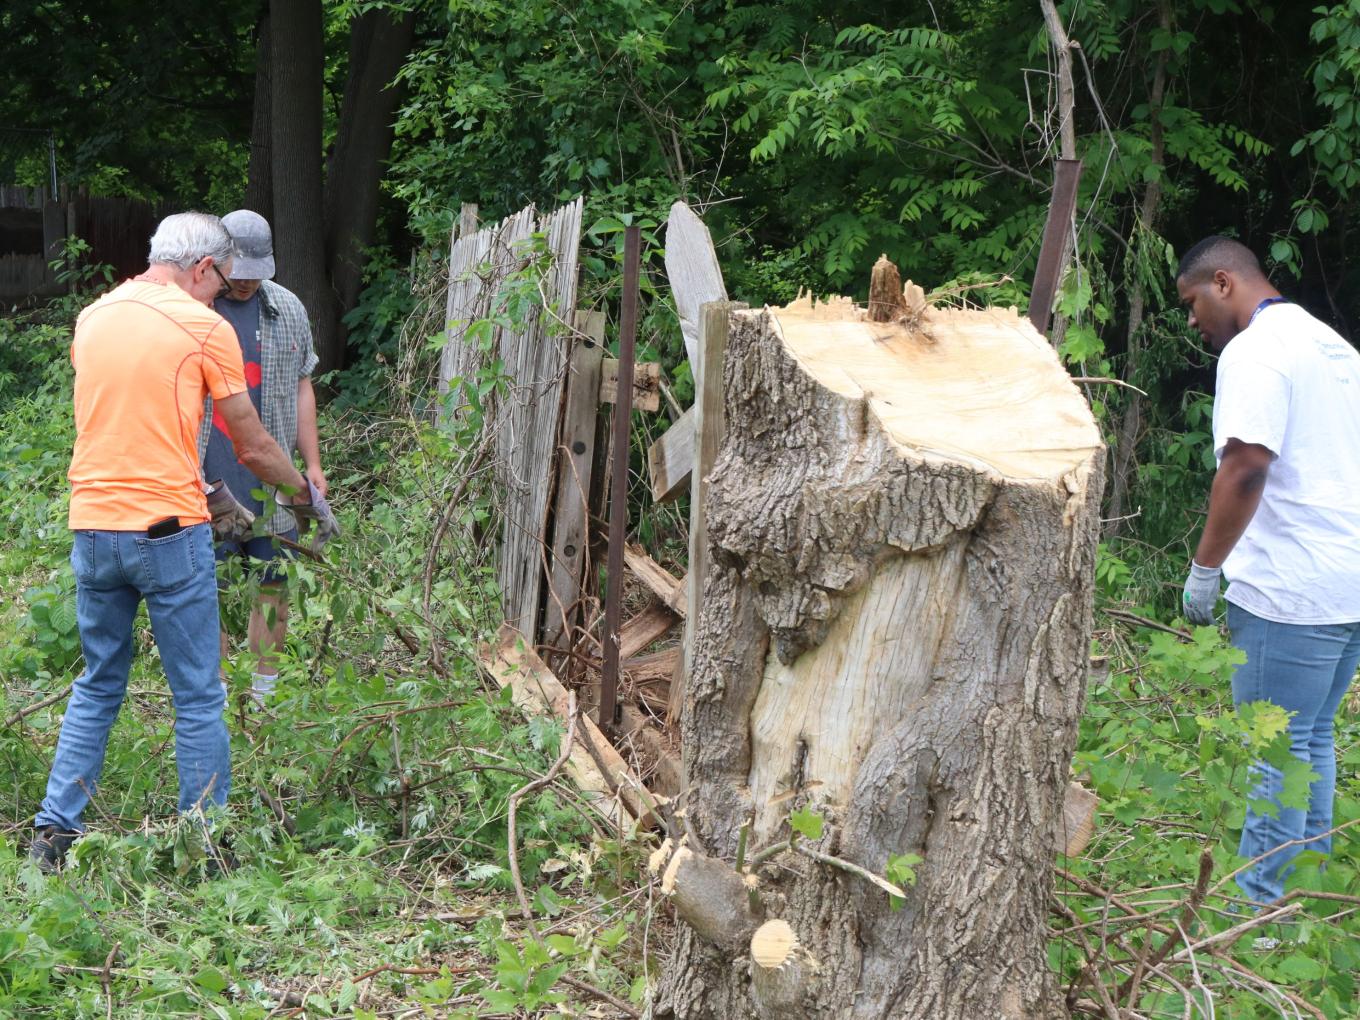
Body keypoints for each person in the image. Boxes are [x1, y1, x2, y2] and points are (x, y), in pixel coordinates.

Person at [29, 212, 335, 873]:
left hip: (92, 526)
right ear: (201, 268)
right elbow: (252, 444)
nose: (222, 291)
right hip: (166, 529)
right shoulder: (204, 328)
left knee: (98, 682)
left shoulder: (95, 317)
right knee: (198, 692)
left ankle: (54, 834)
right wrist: (304, 498)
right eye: (221, 278)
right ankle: (204, 842)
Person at [1177, 235, 1360, 905]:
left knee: (1274, 751)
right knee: (1309, 735)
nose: (1192, 321)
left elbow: (1247, 464)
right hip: (1348, 583)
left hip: (1290, 589)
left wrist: (1206, 567)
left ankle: (1257, 910)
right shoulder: (1329, 344)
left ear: (1223, 282)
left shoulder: (1256, 351)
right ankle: (1309, 895)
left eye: (1192, 302)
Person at [201, 210, 326, 705]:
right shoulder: (196, 310)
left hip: (272, 481)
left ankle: (263, 693)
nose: (249, 280)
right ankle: (217, 693)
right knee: (213, 591)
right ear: (219, 261)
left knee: (272, 584)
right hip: (210, 481)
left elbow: (302, 388)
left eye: (258, 270)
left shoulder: (288, 308)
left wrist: (311, 465)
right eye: (241, 269)